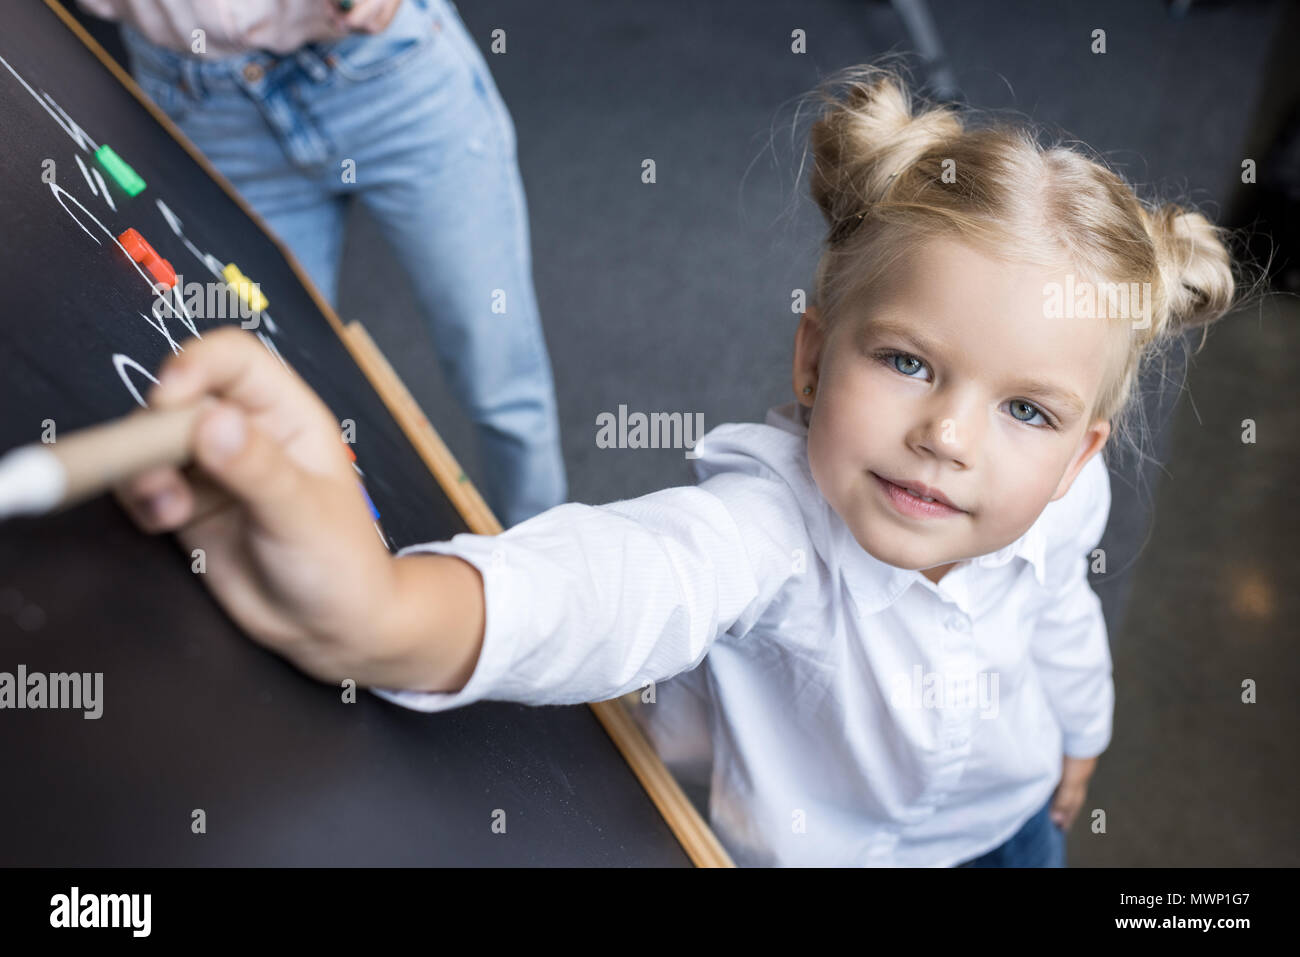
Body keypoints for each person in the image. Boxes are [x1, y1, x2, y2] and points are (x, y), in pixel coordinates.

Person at [111, 64, 1243, 867]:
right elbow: (617, 583)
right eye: (906, 360)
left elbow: (1060, 622)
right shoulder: (766, 535)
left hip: (1010, 826)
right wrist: (377, 610)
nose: (948, 436)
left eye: (1027, 412)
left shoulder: (1061, 498)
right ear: (813, 354)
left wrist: (1080, 738)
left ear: (1081, 450)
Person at [78, 0, 568, 528]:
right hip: (204, 103)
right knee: (271, 390)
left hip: (389, 75)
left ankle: (549, 575)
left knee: (500, 381)